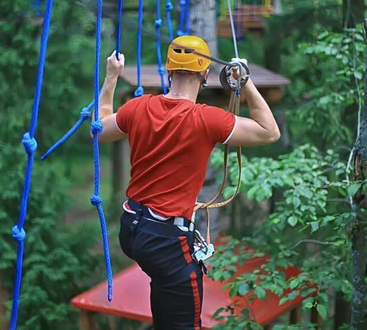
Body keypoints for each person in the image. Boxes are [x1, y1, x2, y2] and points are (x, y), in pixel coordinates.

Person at [96, 35, 280, 329]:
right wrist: (245, 82)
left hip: (132, 229)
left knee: (165, 306)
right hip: (166, 241)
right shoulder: (207, 119)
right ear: (205, 74)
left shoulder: (137, 107)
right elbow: (269, 132)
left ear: (169, 71)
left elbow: (100, 129)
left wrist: (111, 78)